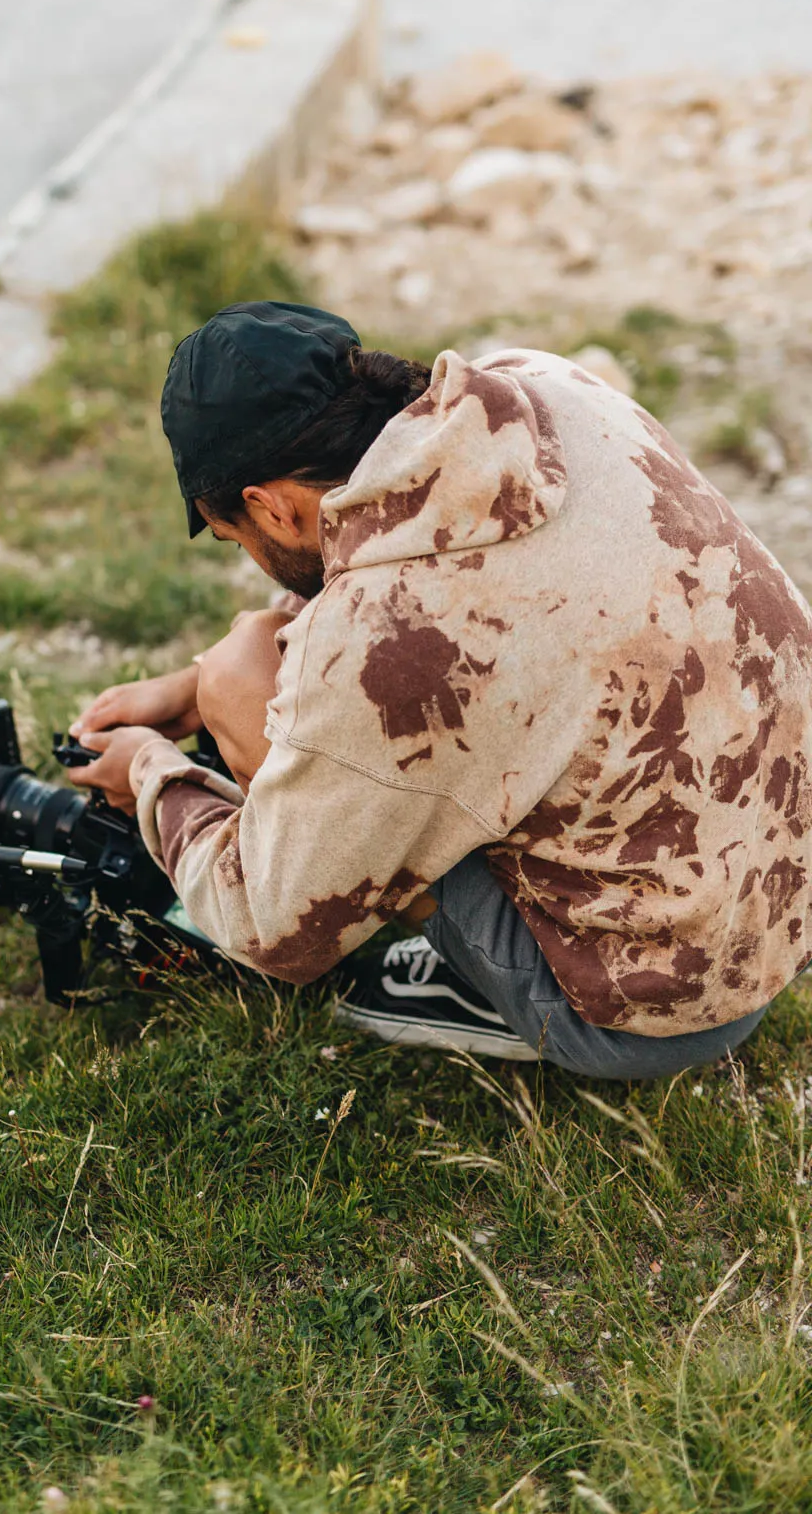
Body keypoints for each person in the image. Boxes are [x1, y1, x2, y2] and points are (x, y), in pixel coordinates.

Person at [66, 300, 812, 1079]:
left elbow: (269, 929)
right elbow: (422, 557)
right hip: (793, 880)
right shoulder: (540, 387)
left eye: (236, 538)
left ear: (270, 505)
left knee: (298, 749)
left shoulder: (390, 648)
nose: (249, 555)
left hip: (664, 1013)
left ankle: (479, 989)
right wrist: (191, 687)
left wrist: (151, 772)